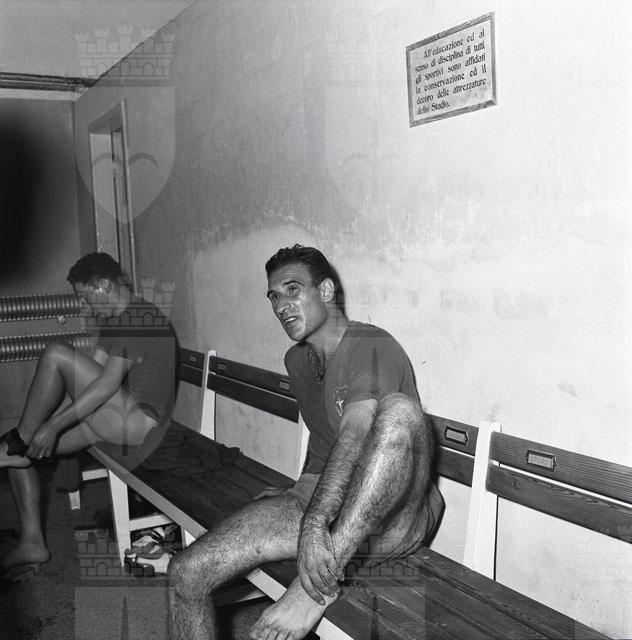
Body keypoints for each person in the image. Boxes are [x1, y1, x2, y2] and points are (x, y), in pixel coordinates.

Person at [168, 245, 444, 640]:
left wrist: (314, 521)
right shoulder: (298, 361)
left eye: (292, 290)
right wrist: (300, 492)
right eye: (274, 297)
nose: (281, 305)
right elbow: (324, 439)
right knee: (187, 571)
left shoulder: (372, 345)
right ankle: (322, 555)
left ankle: (315, 588)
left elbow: (356, 432)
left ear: (326, 291)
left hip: (397, 514)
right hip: (338, 512)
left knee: (399, 411)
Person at [0, 252, 178, 581]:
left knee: (56, 353)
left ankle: (15, 441)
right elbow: (89, 378)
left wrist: (53, 425)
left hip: (141, 426)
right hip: (113, 418)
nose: (84, 307)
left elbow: (106, 385)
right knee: (24, 451)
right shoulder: (114, 321)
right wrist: (47, 426)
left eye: (85, 297)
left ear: (104, 285)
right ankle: (31, 542)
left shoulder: (140, 317)